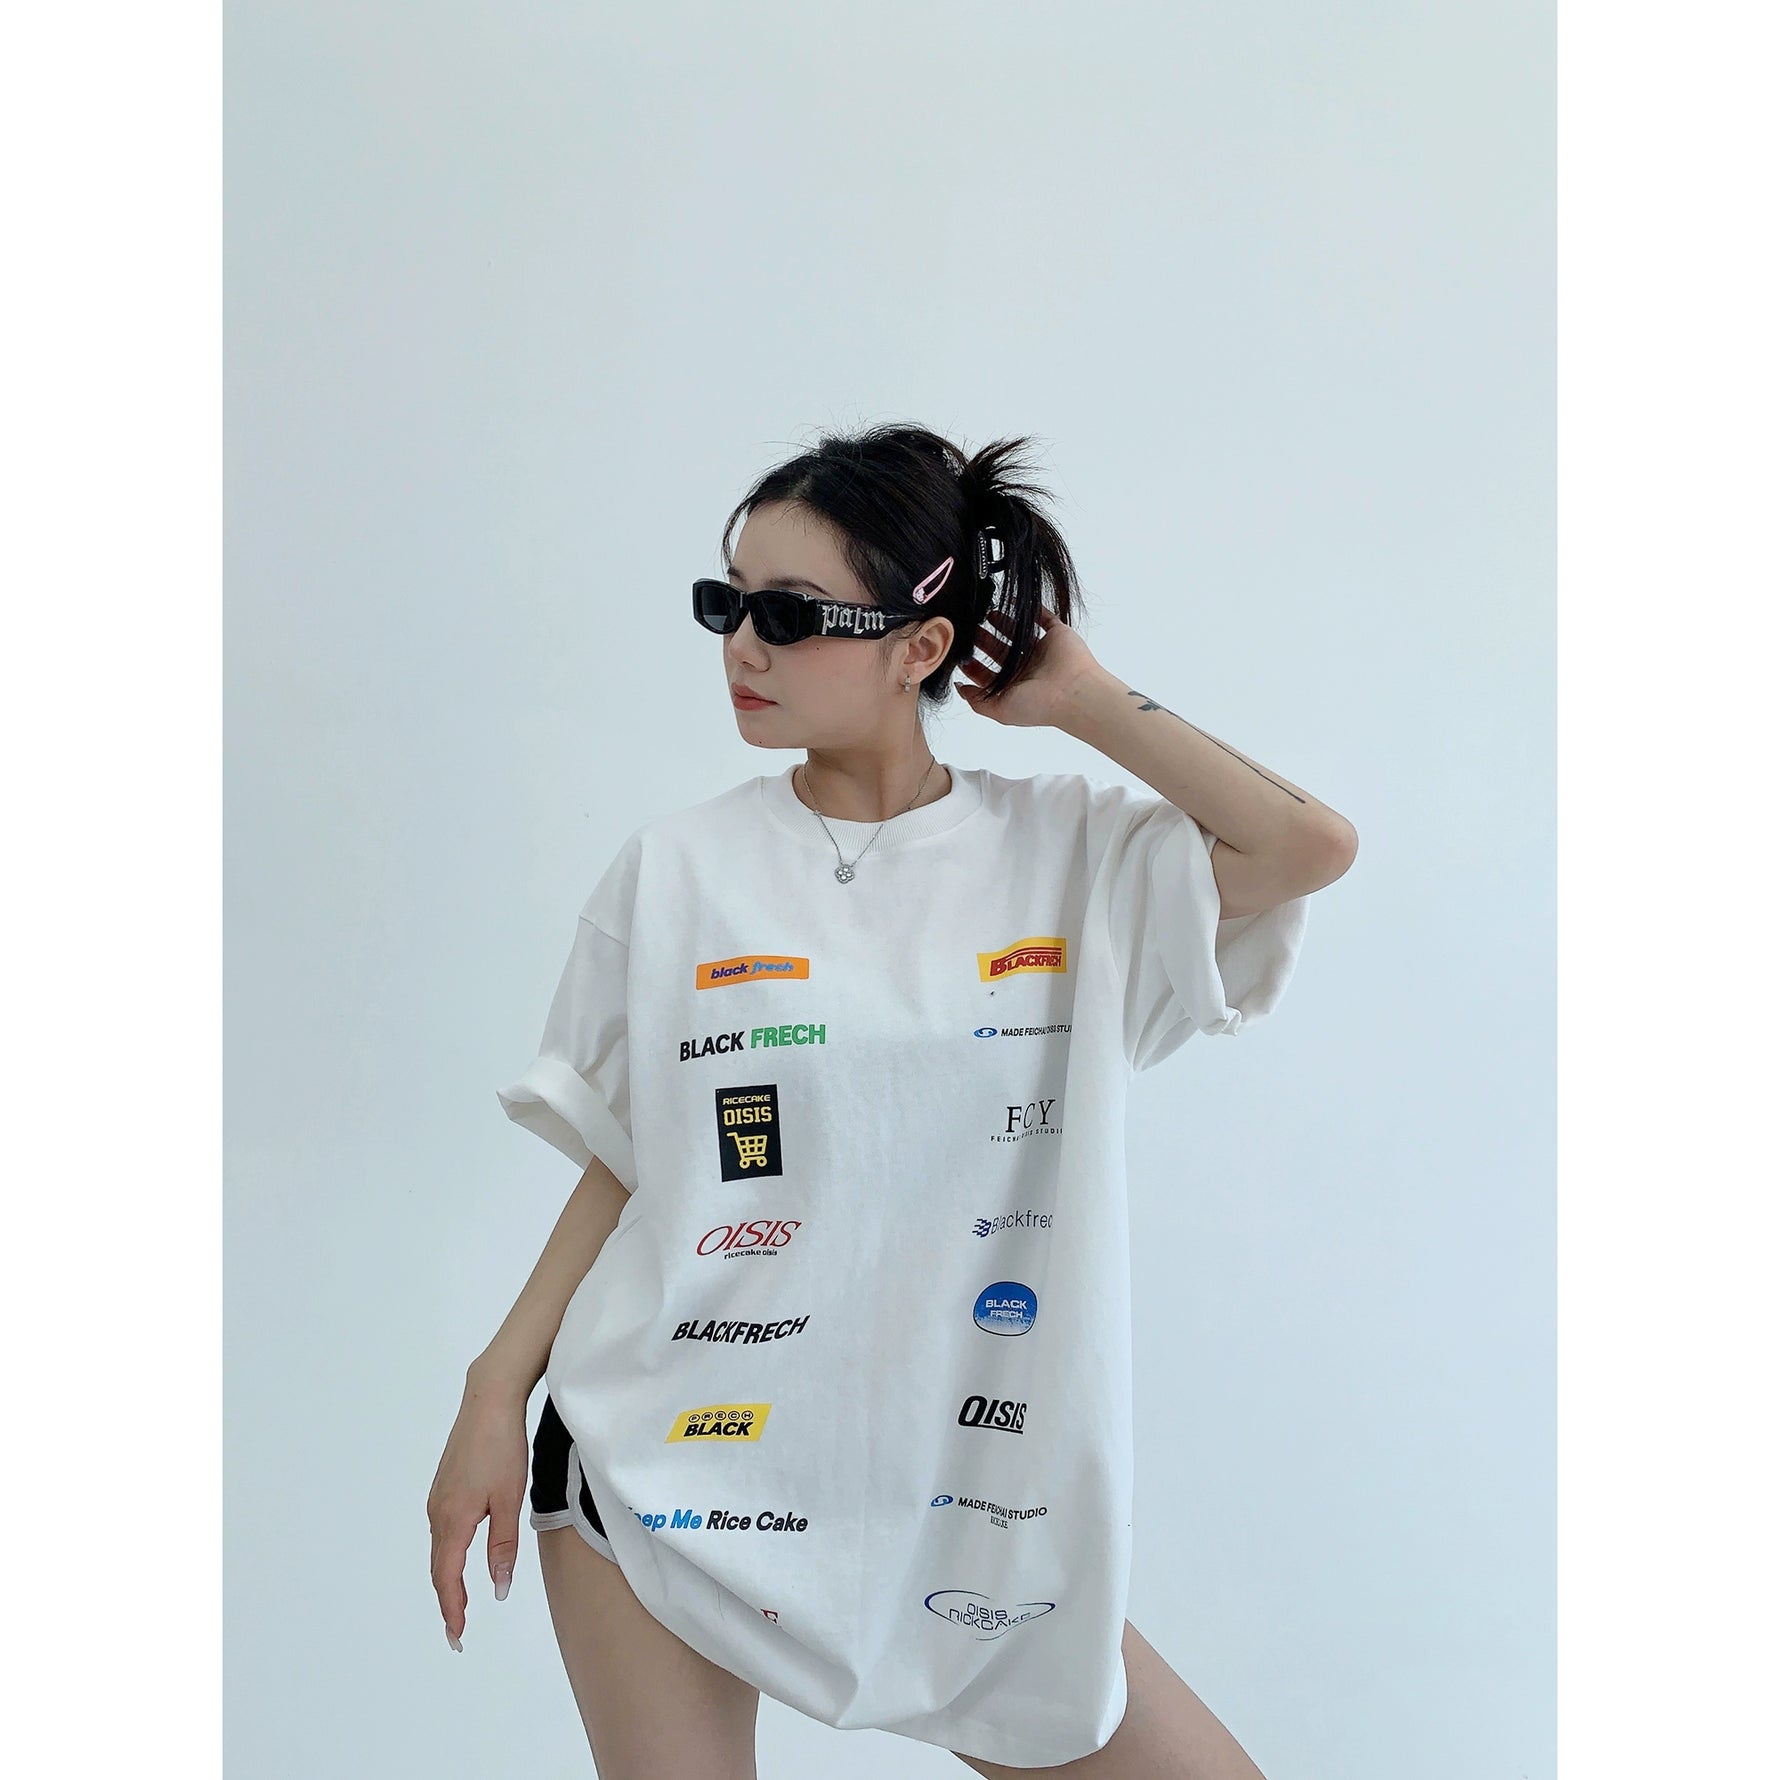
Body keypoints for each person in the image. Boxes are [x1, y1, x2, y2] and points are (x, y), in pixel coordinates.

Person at [427, 424, 1357, 1777]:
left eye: (791, 615)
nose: (743, 647)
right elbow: (634, 1162)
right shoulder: (678, 871)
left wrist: (1082, 695)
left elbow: (1307, 844)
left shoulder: (1074, 857)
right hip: (661, 1465)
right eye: (728, 604)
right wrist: (491, 1390)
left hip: (957, 1505)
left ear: (921, 646)